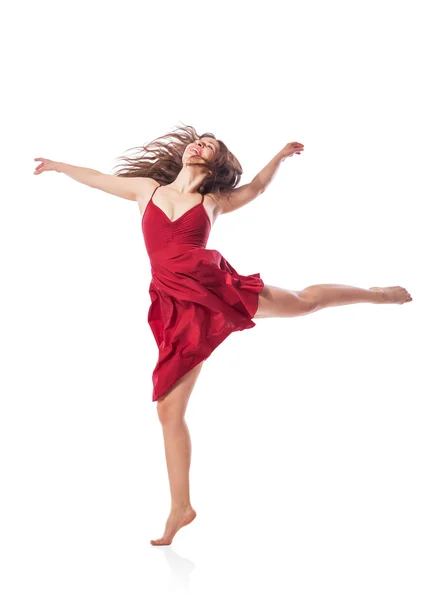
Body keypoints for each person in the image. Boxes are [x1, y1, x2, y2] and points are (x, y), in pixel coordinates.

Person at [34, 123, 412, 546]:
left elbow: (255, 189)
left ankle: (378, 294)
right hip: (176, 303)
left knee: (305, 303)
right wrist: (58, 166)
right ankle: (181, 508)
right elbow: (99, 178)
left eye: (210, 145)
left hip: (214, 287)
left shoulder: (212, 201)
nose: (200, 144)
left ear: (214, 162)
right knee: (168, 411)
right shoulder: (147, 190)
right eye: (199, 140)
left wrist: (280, 156)